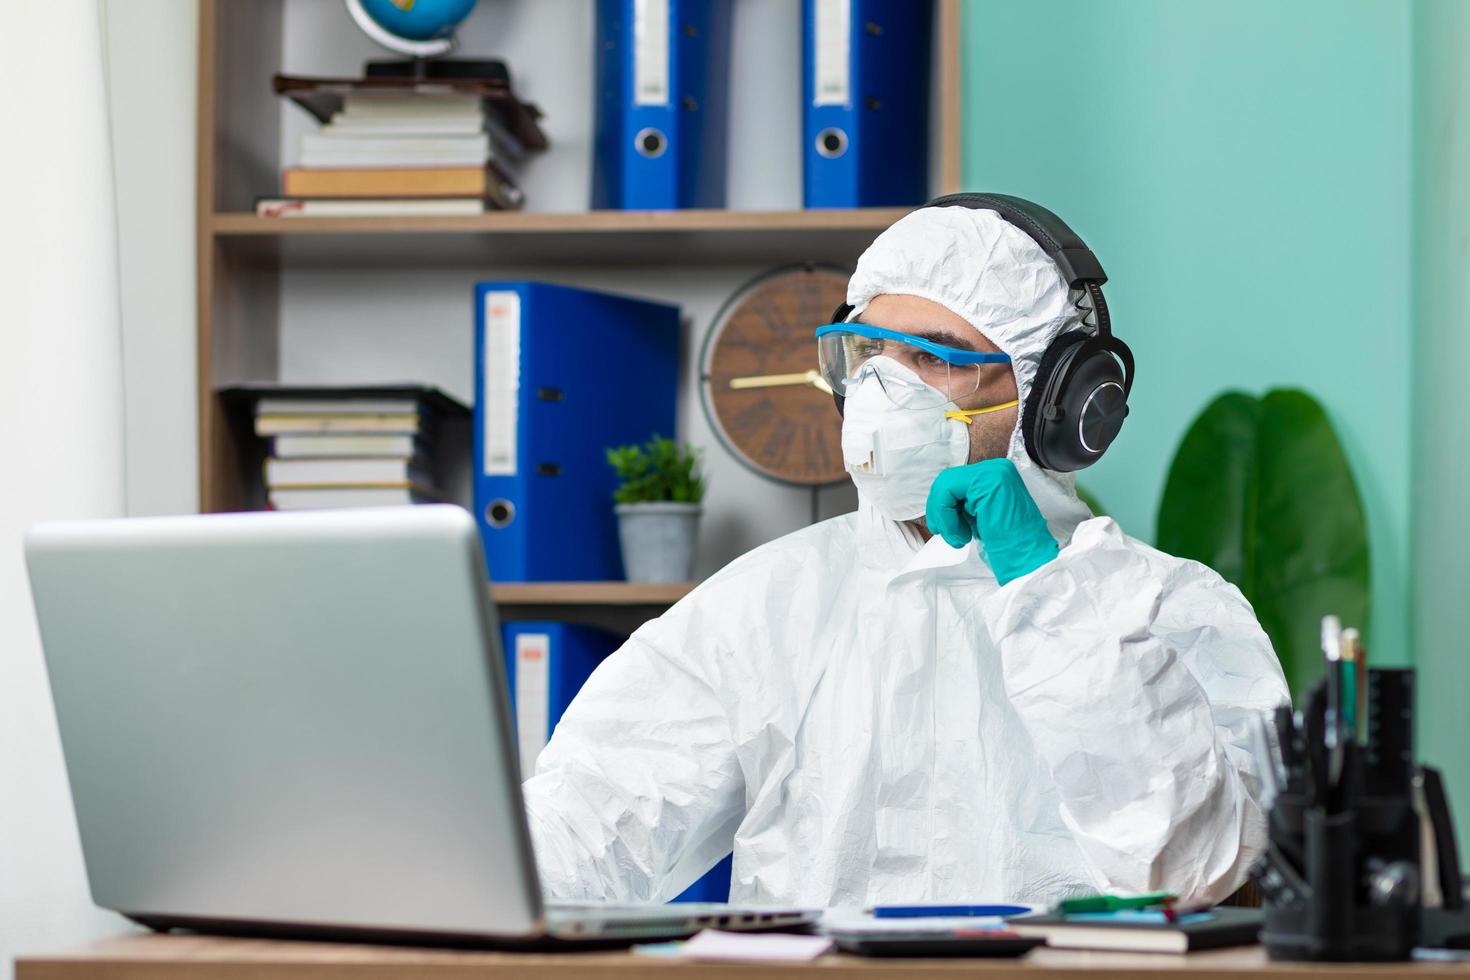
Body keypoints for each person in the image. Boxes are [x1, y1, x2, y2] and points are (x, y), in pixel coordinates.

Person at [522, 201, 1290, 908]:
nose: (885, 388)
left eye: (939, 357)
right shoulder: (771, 602)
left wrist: (1049, 594)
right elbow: (587, 822)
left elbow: (1197, 868)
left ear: (1055, 399)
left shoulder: (1171, 607)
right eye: (868, 351)